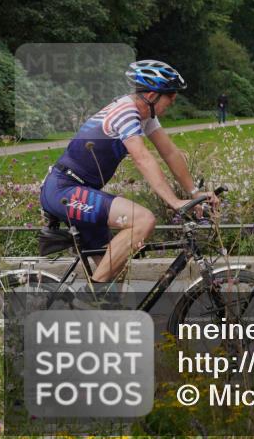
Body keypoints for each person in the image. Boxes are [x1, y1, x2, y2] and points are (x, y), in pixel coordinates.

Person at [39, 60, 219, 298]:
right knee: (143, 220)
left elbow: (170, 153)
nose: (172, 104)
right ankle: (88, 301)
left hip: (79, 190)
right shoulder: (125, 112)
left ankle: (97, 321)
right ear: (153, 95)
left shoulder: (146, 116)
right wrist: (174, 201)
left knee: (115, 277)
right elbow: (142, 158)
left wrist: (194, 193)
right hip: (64, 189)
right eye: (170, 99)